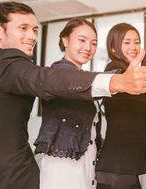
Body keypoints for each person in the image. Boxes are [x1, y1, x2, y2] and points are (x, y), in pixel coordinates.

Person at [0, 1, 146, 188]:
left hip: (78, 166)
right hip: (34, 171)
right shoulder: (8, 62)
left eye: (35, 30)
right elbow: (49, 80)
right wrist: (118, 81)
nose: (32, 36)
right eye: (23, 28)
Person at [96, 23, 146, 189]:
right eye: (127, 42)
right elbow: (134, 94)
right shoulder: (114, 71)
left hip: (125, 168)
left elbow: (144, 103)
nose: (134, 47)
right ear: (114, 48)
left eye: (137, 42)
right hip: (116, 168)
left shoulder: (133, 75)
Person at [34, 18, 101, 189]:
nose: (88, 48)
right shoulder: (59, 72)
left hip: (85, 167)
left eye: (93, 43)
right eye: (82, 40)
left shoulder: (81, 76)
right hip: (64, 170)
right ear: (65, 40)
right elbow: (95, 82)